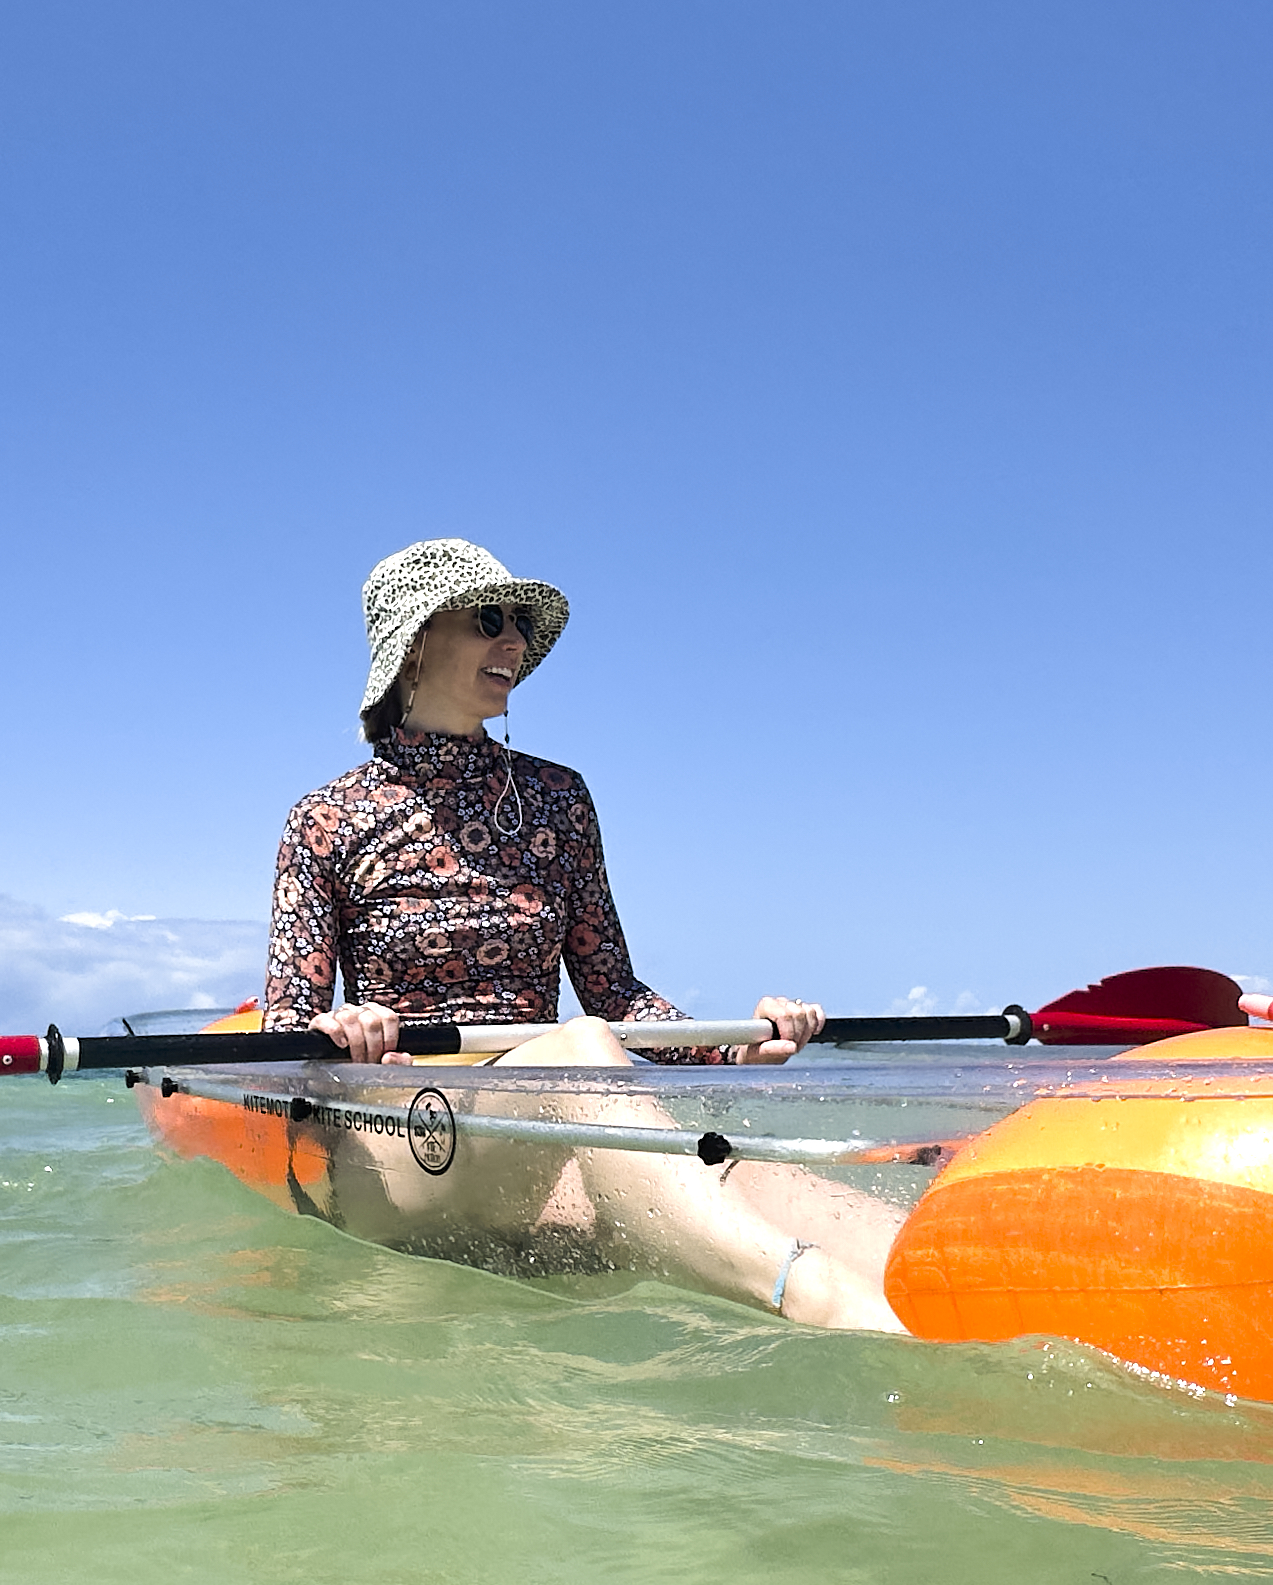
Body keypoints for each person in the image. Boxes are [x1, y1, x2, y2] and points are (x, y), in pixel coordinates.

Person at [263, 538, 906, 1332]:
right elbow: (283, 1035)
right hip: (399, 1140)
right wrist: (336, 1031)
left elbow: (616, 990)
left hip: (541, 1120)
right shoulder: (323, 819)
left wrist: (734, 1045)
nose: (517, 644)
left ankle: (950, 1306)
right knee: (582, 1046)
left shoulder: (559, 799)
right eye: (490, 620)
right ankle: (800, 1291)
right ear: (418, 641)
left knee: (756, 1181)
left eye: (521, 627)